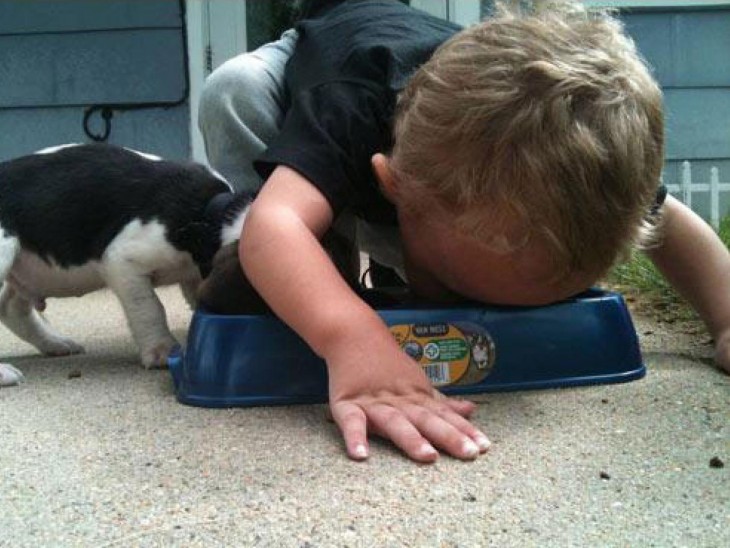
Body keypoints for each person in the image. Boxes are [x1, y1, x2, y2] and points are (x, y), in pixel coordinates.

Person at [198, 0, 730, 463]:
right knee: (233, 89)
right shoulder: (348, 111)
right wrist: (350, 336)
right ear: (390, 182)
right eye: (451, 285)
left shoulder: (588, 164)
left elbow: (672, 222)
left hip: (454, 98)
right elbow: (276, 226)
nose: (464, 307)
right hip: (332, 60)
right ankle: (287, 262)